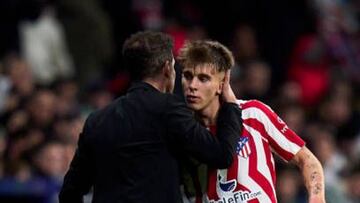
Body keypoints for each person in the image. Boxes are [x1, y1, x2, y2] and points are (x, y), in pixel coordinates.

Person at [59, 31, 242, 203]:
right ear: (167, 68)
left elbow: (70, 191)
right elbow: (221, 155)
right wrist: (231, 105)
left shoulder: (97, 120)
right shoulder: (169, 110)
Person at [177, 40, 325, 203]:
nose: (192, 85)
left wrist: (316, 196)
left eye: (203, 78)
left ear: (222, 82)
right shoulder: (181, 131)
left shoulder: (253, 113)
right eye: (188, 76)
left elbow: (307, 160)